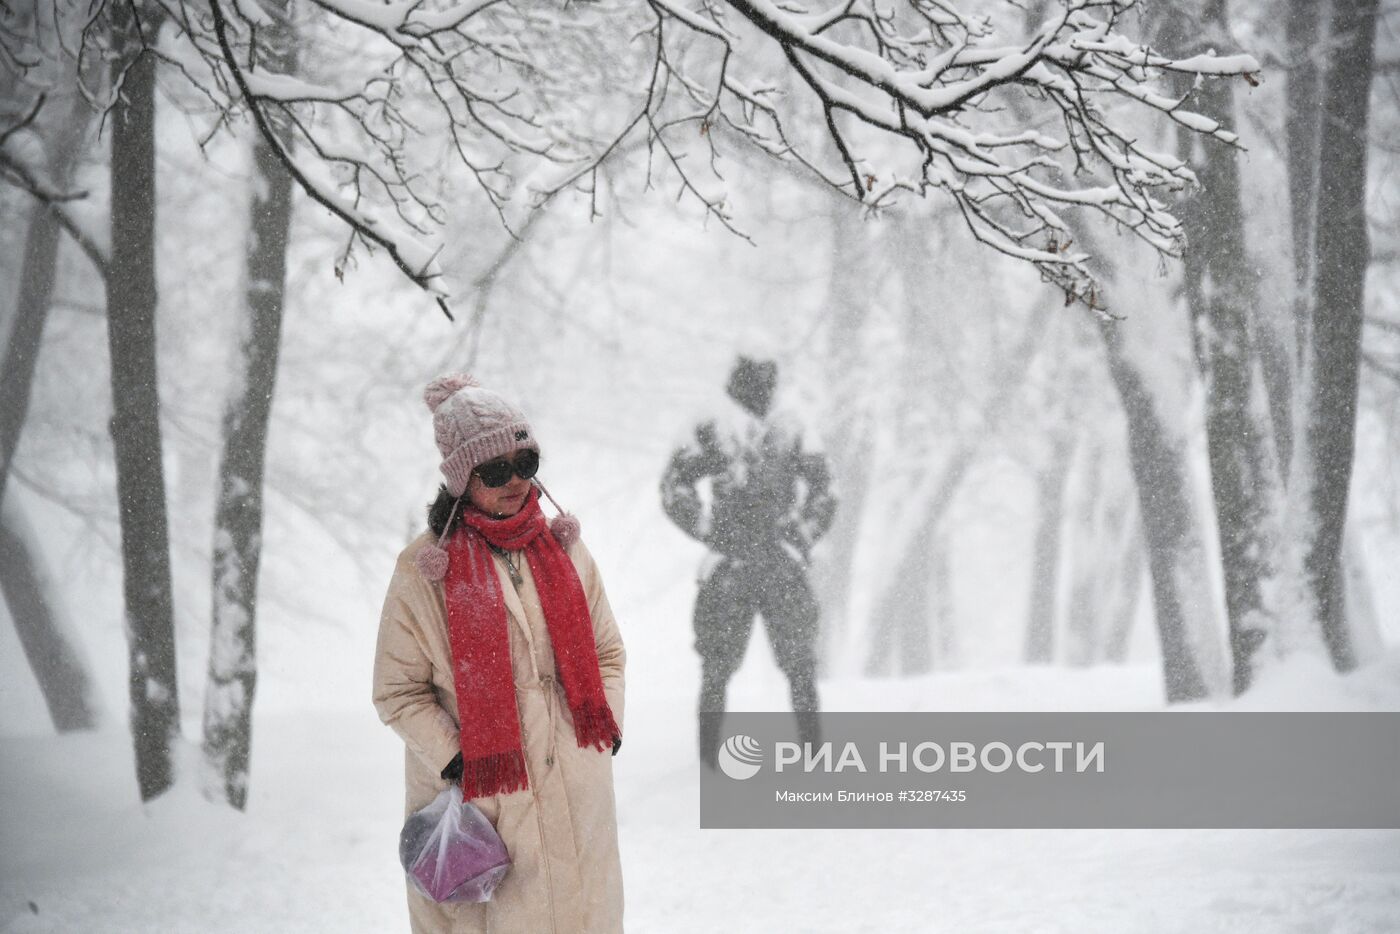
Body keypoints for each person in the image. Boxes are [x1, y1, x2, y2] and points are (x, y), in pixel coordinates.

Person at [373, 374, 625, 934]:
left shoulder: (566, 550)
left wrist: (604, 720)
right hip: (484, 799)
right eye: (494, 470)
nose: (514, 481)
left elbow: (607, 650)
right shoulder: (424, 572)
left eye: (526, 462)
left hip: (575, 782)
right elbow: (397, 691)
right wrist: (457, 756)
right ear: (462, 479)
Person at [661, 356, 836, 766]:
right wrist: (708, 529)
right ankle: (708, 759)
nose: (759, 386)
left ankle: (814, 754)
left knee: (799, 662)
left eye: (764, 379)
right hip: (732, 562)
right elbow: (675, 485)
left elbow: (825, 487)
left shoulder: (790, 424)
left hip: (777, 559)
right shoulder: (712, 423)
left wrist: (803, 534)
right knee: (718, 665)